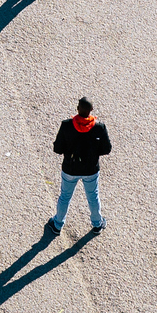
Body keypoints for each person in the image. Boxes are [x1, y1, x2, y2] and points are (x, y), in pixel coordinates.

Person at [48, 97, 109, 231]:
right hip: (91, 169)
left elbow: (57, 148)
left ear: (77, 109)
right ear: (91, 110)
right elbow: (107, 149)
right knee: (93, 196)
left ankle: (57, 224)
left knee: (65, 197)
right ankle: (97, 223)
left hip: (70, 168)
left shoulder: (66, 125)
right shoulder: (99, 127)